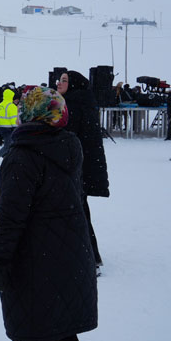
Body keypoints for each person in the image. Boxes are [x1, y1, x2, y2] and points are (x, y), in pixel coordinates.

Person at [0, 86, 97, 341]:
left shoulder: (22, 157)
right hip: (69, 258)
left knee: (32, 337)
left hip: (34, 262)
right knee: (61, 330)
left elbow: (10, 218)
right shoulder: (68, 147)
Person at [58, 70, 109, 274]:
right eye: (59, 80)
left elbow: (67, 137)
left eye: (64, 80)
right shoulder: (82, 102)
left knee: (77, 212)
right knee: (79, 211)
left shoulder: (72, 105)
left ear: (74, 85)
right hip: (81, 167)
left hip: (75, 168)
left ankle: (90, 257)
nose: (59, 83)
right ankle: (89, 255)